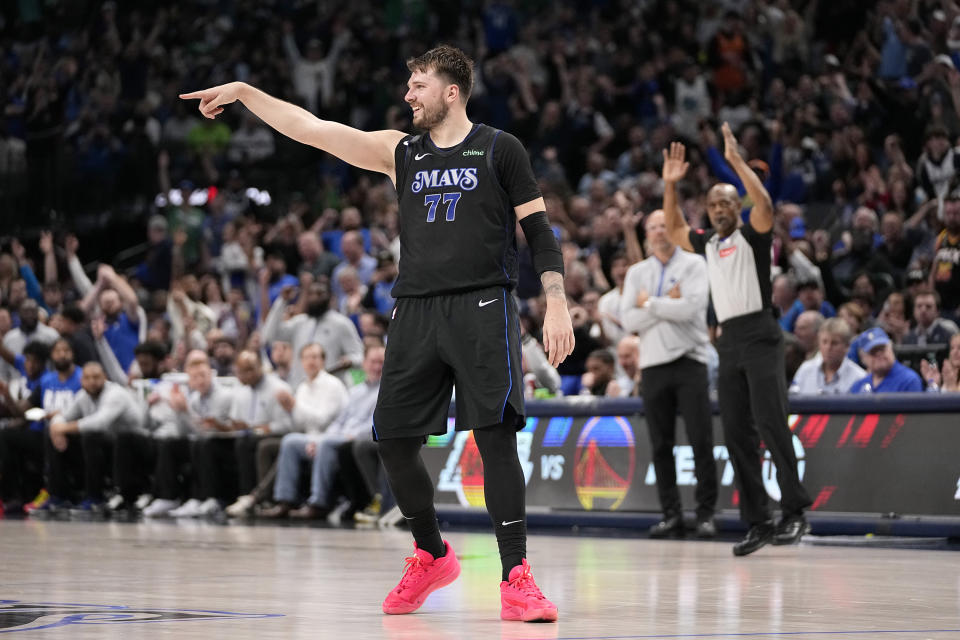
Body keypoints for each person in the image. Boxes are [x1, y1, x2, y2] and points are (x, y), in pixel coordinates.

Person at [182, 44, 573, 621]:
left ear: (450, 91)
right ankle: (431, 553)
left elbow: (539, 233)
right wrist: (244, 93)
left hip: (484, 304)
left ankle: (516, 576)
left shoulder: (499, 148)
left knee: (493, 437)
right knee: (391, 438)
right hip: (414, 307)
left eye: (418, 85)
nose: (407, 94)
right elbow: (311, 128)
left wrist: (557, 300)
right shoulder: (401, 151)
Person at [662, 132, 812, 557]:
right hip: (728, 341)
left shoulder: (754, 236)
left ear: (737, 207)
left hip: (762, 335)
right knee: (737, 434)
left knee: (770, 423)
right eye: (713, 204)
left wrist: (738, 164)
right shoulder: (707, 243)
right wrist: (670, 184)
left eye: (727, 202)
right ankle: (758, 521)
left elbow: (764, 206)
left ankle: (795, 511)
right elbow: (673, 228)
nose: (720, 209)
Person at [621, 209, 717, 539]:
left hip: (690, 360)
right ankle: (671, 515)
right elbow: (628, 321)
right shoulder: (636, 272)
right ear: (646, 233)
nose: (659, 231)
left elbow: (692, 308)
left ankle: (705, 515)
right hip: (652, 365)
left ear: (674, 230)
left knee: (701, 440)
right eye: (653, 226)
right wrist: (665, 305)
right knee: (660, 445)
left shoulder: (694, 264)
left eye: (664, 225)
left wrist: (649, 305)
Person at [227, 343, 348, 517]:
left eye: (315, 357)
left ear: (323, 360)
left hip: (328, 437)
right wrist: (292, 409)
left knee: (290, 441)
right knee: (277, 444)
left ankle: (315, 503)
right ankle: (283, 500)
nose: (311, 362)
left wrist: (294, 406)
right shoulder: (303, 387)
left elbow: (322, 421)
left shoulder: (333, 385)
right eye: (306, 358)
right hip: (307, 437)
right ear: (301, 362)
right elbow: (298, 424)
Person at [263, 344, 383, 519]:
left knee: (326, 443)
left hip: (356, 438)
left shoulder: (383, 392)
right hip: (333, 436)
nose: (377, 367)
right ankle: (285, 501)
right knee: (290, 441)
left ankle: (319, 502)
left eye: (381, 362)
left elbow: (375, 423)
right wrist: (320, 440)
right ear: (364, 363)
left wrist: (345, 436)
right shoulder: (356, 391)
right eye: (373, 362)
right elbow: (338, 421)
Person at [261, 280, 364, 387]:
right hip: (300, 389)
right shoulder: (299, 322)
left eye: (319, 293)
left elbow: (359, 356)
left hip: (330, 389)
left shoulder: (341, 324)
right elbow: (269, 336)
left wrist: (350, 361)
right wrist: (282, 301)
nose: (315, 297)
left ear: (330, 297)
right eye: (311, 294)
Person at [790, 318, 866, 394]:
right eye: (824, 342)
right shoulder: (805, 369)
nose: (828, 348)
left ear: (847, 346)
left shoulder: (859, 377)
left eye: (834, 343)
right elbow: (792, 399)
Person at [849, 328, 924, 393]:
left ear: (891, 348)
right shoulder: (858, 386)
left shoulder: (908, 380)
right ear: (863, 358)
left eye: (882, 349)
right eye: (873, 352)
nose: (879, 354)